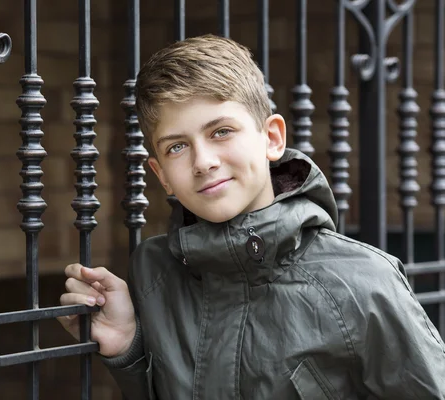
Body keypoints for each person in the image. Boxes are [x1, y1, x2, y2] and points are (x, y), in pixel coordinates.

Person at [57, 34, 445, 399]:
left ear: (272, 138)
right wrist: (129, 346)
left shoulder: (364, 284)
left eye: (222, 131)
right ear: (161, 177)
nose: (204, 162)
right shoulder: (153, 273)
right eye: (177, 147)